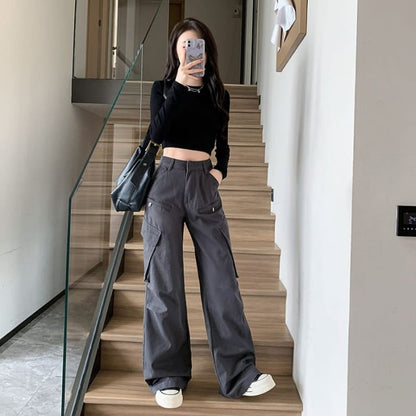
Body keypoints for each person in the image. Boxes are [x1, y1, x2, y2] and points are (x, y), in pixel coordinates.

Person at [141, 17, 276, 409]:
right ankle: (167, 374)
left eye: (195, 45)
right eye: (184, 45)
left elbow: (224, 145)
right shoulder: (163, 89)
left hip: (203, 184)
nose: (190, 51)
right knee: (163, 280)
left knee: (221, 278)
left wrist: (219, 173)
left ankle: (239, 373)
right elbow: (156, 133)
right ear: (175, 51)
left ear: (207, 50)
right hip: (166, 183)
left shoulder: (219, 93)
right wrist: (180, 85)